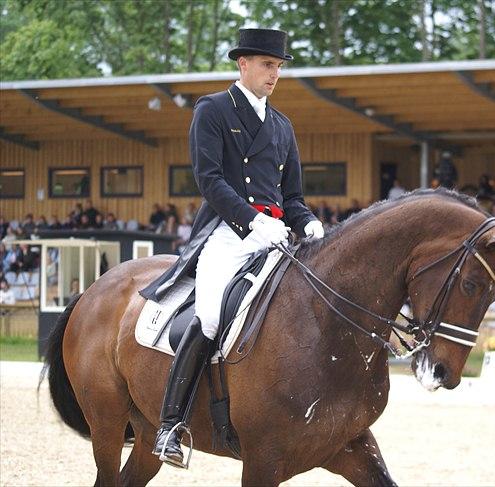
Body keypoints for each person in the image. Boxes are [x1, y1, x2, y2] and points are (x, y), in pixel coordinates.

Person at [139, 28, 323, 468]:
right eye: (266, 65)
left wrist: (311, 224)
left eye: (278, 66)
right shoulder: (214, 109)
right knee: (210, 315)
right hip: (228, 231)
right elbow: (210, 179)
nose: (274, 74)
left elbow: (291, 197)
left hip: (277, 235)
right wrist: (252, 220)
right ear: (243, 64)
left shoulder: (282, 125)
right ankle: (170, 425)